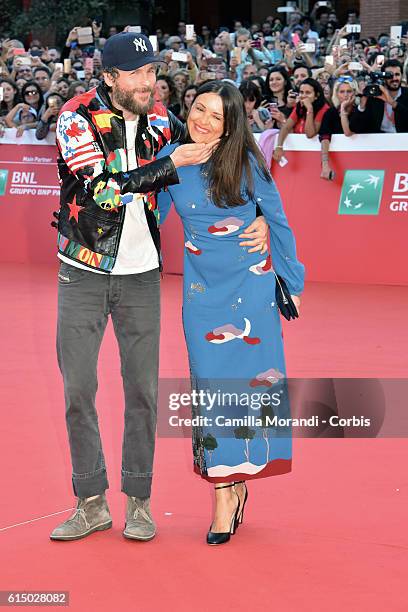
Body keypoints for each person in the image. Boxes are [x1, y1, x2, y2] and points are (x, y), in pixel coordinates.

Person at [50, 33, 267, 543]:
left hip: (143, 276)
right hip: (82, 269)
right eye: (137, 73)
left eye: (153, 71)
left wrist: (258, 218)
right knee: (78, 390)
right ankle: (91, 501)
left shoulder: (164, 120)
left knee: (143, 393)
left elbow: (227, 164)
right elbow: (99, 190)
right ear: (110, 77)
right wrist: (173, 164)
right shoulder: (76, 117)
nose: (149, 82)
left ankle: (140, 502)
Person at [156, 80, 305, 545]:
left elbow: (276, 219)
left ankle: (229, 489)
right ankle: (228, 483)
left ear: (230, 125)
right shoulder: (174, 159)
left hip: (251, 287)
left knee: (250, 383)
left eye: (216, 116)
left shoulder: (245, 162)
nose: (202, 120)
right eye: (199, 108)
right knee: (211, 388)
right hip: (202, 295)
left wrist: (292, 283)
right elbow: (147, 216)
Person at [273, 78, 329, 163]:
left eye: (308, 93)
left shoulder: (324, 109)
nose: (303, 95)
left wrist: (309, 109)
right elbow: (286, 127)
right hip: (300, 151)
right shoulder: (299, 106)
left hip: (315, 153)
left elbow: (310, 134)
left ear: (316, 95)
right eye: (301, 92)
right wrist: (279, 146)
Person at [349, 60, 408, 133]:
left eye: (397, 74)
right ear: (383, 77)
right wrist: (362, 106)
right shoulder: (375, 96)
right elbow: (355, 127)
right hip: (378, 141)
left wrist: (392, 103)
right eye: (389, 75)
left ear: (402, 75)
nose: (394, 78)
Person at [319, 77, 357, 180]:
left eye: (349, 91)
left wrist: (343, 110)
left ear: (354, 93)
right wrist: (325, 165)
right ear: (336, 94)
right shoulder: (330, 113)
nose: (345, 95)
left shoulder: (360, 111)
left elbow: (348, 132)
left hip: (359, 158)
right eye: (342, 92)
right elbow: (324, 137)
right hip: (341, 162)